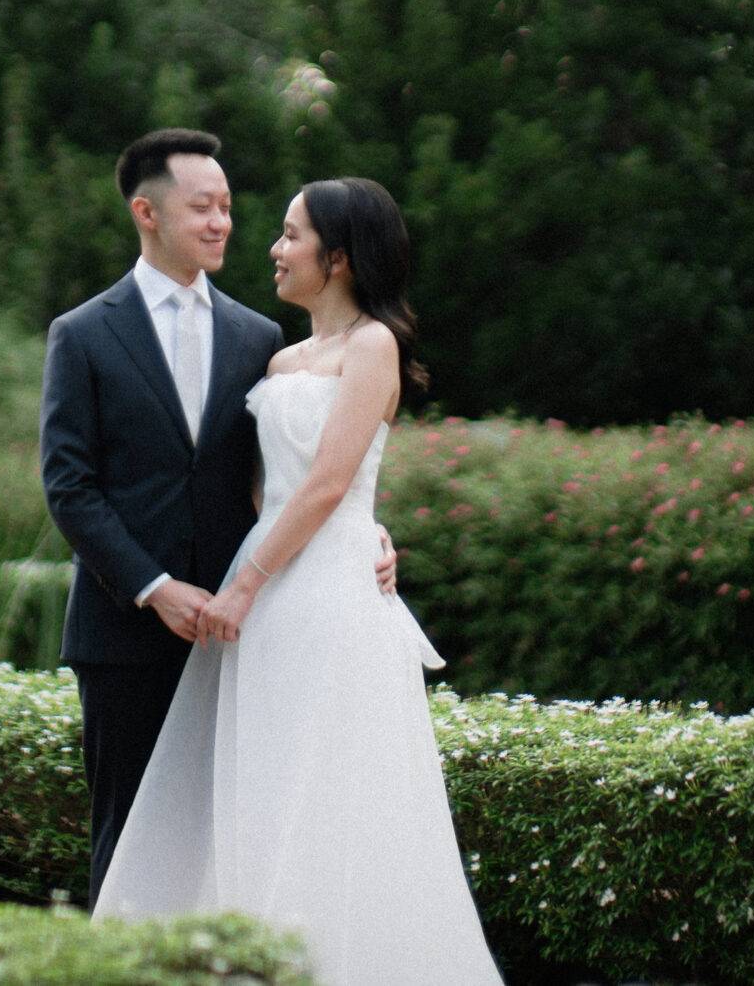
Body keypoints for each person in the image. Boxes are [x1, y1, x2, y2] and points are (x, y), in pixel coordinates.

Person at [92, 176, 501, 985]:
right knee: (264, 780)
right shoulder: (281, 357)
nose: (274, 251)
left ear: (339, 257)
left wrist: (264, 576)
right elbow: (263, 485)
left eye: (291, 236)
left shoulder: (374, 345)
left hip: (326, 598)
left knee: (333, 787)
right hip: (273, 590)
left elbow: (327, 484)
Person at [39, 130, 400, 908]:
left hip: (252, 628)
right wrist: (154, 587)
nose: (223, 224)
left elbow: (287, 476)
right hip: (127, 631)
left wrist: (365, 528)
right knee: (131, 837)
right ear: (147, 212)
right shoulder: (83, 333)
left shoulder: (260, 337)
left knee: (245, 833)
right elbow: (69, 487)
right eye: (203, 206)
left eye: (229, 208)